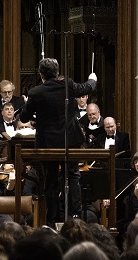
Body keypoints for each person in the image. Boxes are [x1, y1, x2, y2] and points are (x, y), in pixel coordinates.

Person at [20, 57, 96, 226]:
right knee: (73, 176)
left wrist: (30, 108)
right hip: (69, 141)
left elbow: (24, 117)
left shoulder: (36, 92)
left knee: (51, 180)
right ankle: (75, 216)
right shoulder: (67, 85)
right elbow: (87, 87)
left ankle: (52, 219)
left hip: (48, 143)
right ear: (57, 72)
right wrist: (93, 78)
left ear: (41, 75)